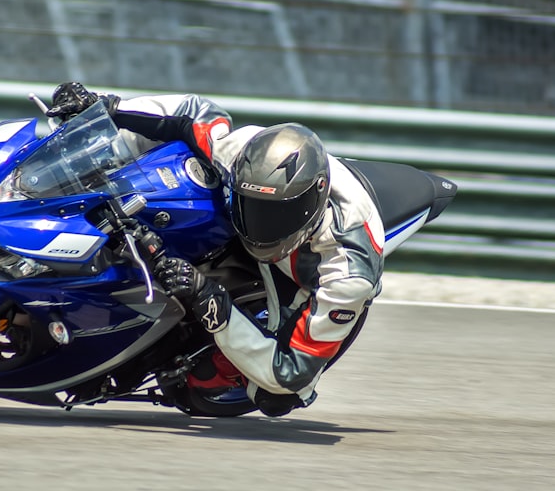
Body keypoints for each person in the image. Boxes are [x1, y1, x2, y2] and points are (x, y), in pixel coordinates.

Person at [47, 82, 385, 417]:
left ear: (314, 204)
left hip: (302, 266)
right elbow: (192, 112)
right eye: (253, 207)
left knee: (274, 396)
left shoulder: (346, 275)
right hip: (253, 205)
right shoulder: (238, 154)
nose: (261, 226)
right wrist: (107, 108)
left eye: (276, 215)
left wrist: (209, 297)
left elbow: (290, 371)